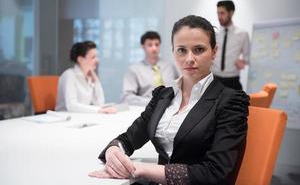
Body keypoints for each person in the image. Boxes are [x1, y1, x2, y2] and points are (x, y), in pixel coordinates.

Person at [89, 15, 249, 184]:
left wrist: (143, 170)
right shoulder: (163, 96)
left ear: (214, 52)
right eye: (181, 50)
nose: (189, 58)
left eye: (199, 49)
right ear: (173, 51)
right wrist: (114, 150)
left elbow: (216, 172)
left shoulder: (231, 101)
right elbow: (129, 139)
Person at [55, 41, 115, 114]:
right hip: (65, 119)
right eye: (93, 57)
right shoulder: (69, 75)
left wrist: (96, 82)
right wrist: (98, 110)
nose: (97, 60)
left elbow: (99, 103)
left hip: (81, 117)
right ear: (80, 59)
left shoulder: (89, 77)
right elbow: (71, 105)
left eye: (96, 57)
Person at [121, 31, 179, 106]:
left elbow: (180, 88)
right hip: (146, 109)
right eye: (150, 45)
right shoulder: (134, 70)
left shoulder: (170, 66)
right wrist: (152, 102)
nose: (154, 48)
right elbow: (127, 97)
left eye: (157, 45)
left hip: (171, 108)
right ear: (143, 46)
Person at [212, 0, 250, 90]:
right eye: (218, 13)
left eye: (222, 13)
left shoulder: (243, 34)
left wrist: (243, 62)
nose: (219, 17)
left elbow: (247, 57)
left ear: (231, 13)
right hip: (214, 80)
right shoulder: (214, 34)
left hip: (233, 81)